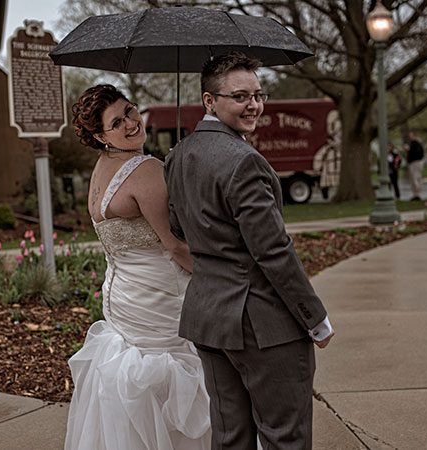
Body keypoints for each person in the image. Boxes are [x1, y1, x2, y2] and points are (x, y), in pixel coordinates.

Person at [165, 52, 334, 450]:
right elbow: (273, 251)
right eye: (240, 96)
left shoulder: (177, 156)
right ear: (210, 101)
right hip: (263, 324)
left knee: (229, 438)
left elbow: (176, 227)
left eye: (259, 95)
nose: (254, 105)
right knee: (285, 438)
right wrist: (315, 318)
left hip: (208, 318)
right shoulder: (244, 161)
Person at [64, 84, 211, 450]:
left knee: (143, 391)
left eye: (130, 111)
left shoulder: (102, 170)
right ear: (100, 135)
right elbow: (175, 245)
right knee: (176, 381)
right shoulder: (146, 170)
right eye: (117, 122)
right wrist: (217, 275)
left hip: (124, 298)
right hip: (160, 299)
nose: (131, 123)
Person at [404, 131, 425, 201]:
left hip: (415, 163)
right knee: (416, 178)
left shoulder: (416, 144)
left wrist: (408, 150)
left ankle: (417, 193)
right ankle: (416, 194)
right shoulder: (415, 144)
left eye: (411, 135)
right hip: (416, 162)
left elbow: (416, 154)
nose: (410, 137)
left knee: (415, 178)